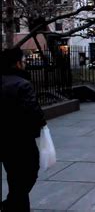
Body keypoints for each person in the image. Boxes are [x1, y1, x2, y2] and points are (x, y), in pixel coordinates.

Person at [1, 48, 47, 211]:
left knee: (14, 176)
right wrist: (40, 124)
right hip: (21, 140)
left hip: (4, 140)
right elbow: (33, 113)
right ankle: (10, 205)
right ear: (17, 63)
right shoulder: (22, 84)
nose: (26, 64)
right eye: (24, 61)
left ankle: (17, 206)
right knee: (29, 172)